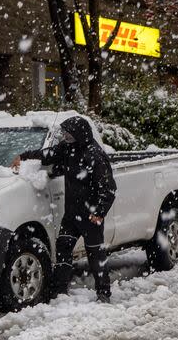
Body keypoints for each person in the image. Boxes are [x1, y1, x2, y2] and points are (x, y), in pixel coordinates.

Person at [13, 116, 117, 302]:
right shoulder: (67, 148)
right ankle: (59, 291)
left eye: (69, 134)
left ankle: (103, 293)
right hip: (71, 214)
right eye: (65, 133)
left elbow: (108, 189)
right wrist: (24, 156)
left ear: (80, 134)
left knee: (95, 254)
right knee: (63, 248)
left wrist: (99, 212)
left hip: (90, 215)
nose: (66, 137)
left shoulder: (95, 155)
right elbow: (48, 154)